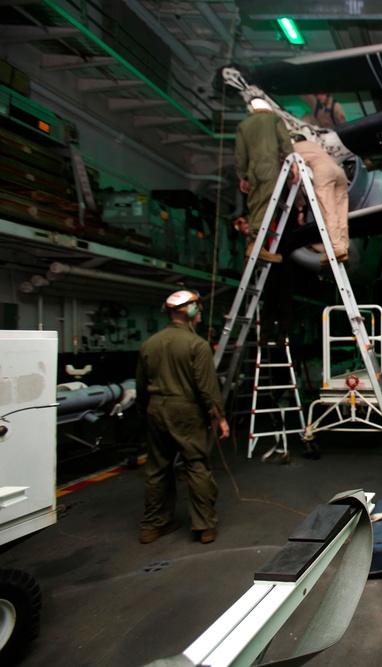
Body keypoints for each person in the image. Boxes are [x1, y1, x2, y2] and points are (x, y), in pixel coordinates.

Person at [136, 289, 230, 545]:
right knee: (196, 465)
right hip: (185, 411)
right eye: (198, 309)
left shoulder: (149, 343)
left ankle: (153, 526)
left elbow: (141, 387)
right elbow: (207, 388)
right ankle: (204, 527)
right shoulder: (196, 345)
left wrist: (144, 415)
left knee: (157, 468)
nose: (200, 314)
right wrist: (219, 418)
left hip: (156, 410)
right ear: (190, 312)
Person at [235, 97, 298, 264]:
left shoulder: (244, 126)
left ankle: (253, 244)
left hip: (253, 171)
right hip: (270, 167)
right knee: (268, 206)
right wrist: (294, 164)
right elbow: (285, 143)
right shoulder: (274, 120)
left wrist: (242, 176)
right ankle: (256, 245)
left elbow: (241, 155)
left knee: (255, 206)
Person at [292, 132, 350, 263]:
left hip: (322, 172)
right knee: (342, 212)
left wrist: (300, 206)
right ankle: (344, 247)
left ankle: (337, 248)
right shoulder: (314, 146)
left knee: (328, 210)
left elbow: (294, 177)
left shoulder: (293, 150)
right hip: (339, 173)